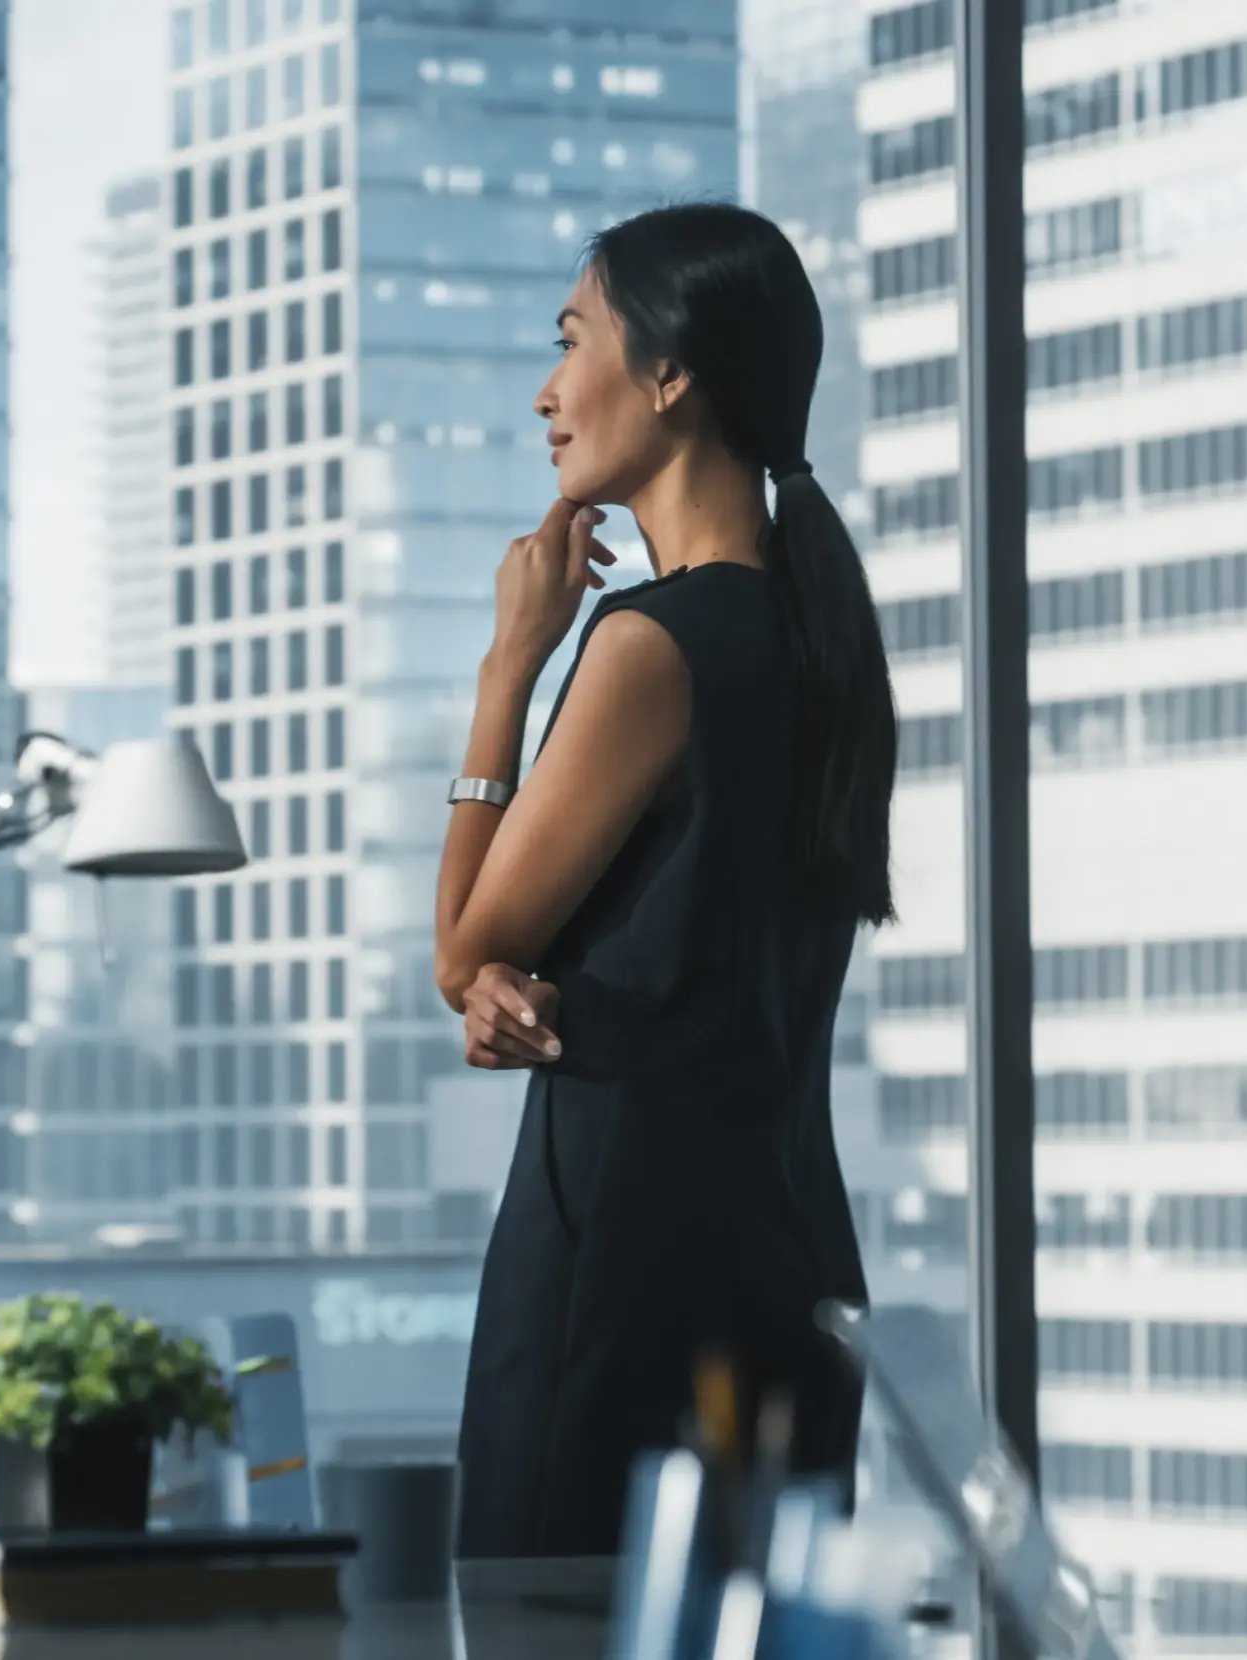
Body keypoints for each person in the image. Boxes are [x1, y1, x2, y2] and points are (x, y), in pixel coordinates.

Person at [434, 201, 898, 1558]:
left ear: (671, 371)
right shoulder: (821, 643)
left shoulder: (652, 646)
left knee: (545, 1623)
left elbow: (463, 946)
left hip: (621, 1274)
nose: (548, 392)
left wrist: (508, 668)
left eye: (572, 338)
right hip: (789, 1263)